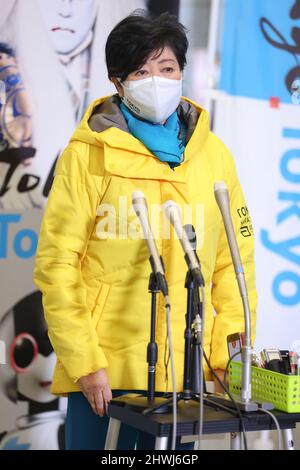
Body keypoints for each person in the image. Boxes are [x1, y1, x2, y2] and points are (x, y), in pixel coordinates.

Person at [34, 10, 257, 450]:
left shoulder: (214, 156)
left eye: (167, 68)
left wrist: (225, 357)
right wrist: (83, 361)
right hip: (105, 374)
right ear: (118, 82)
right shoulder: (86, 155)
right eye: (141, 70)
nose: (156, 79)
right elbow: (58, 265)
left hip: (186, 372)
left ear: (182, 73)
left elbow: (234, 262)